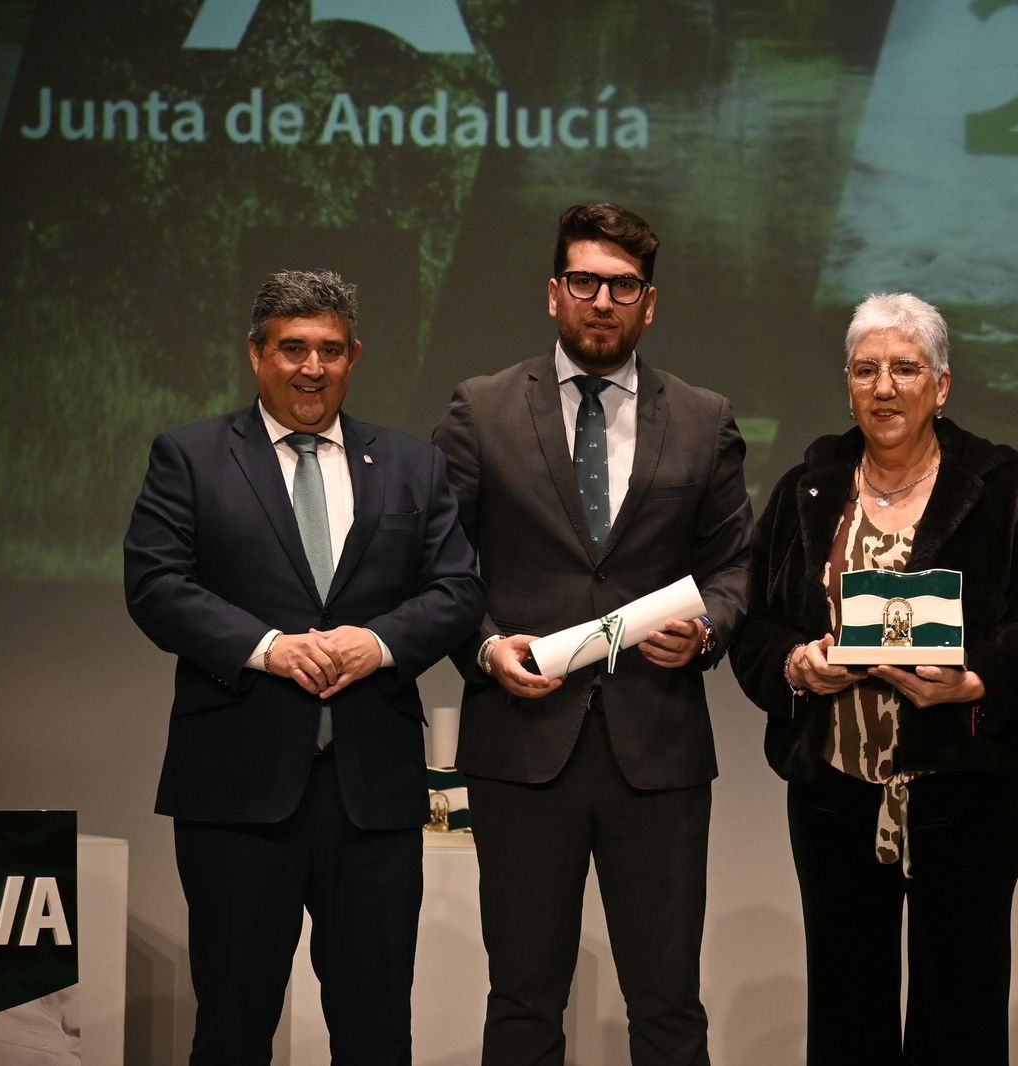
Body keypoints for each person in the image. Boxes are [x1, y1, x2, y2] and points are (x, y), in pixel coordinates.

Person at [123, 269, 485, 1065]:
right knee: (233, 1024)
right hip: (237, 791)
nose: (311, 367)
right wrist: (271, 648)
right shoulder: (189, 456)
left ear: (353, 356)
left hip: (373, 795)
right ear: (256, 354)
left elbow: (458, 589)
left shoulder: (410, 466)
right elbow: (155, 586)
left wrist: (379, 643)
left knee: (377, 1028)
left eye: (329, 349)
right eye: (292, 348)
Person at [433, 202, 752, 1066]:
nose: (602, 300)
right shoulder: (482, 409)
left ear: (649, 303)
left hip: (660, 753)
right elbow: (444, 569)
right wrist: (486, 646)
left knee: (669, 1005)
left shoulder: (704, 416)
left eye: (623, 286)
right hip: (522, 745)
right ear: (553, 293)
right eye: (585, 282)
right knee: (526, 1001)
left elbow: (735, 569)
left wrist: (709, 629)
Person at [730, 292, 1018, 1065]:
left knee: (961, 1012)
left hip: (966, 793)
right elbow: (752, 628)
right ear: (847, 384)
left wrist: (974, 680)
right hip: (833, 794)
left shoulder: (999, 488)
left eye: (905, 368)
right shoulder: (807, 488)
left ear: (942, 385)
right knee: (846, 1010)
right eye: (866, 370)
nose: (883, 388)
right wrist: (795, 664)